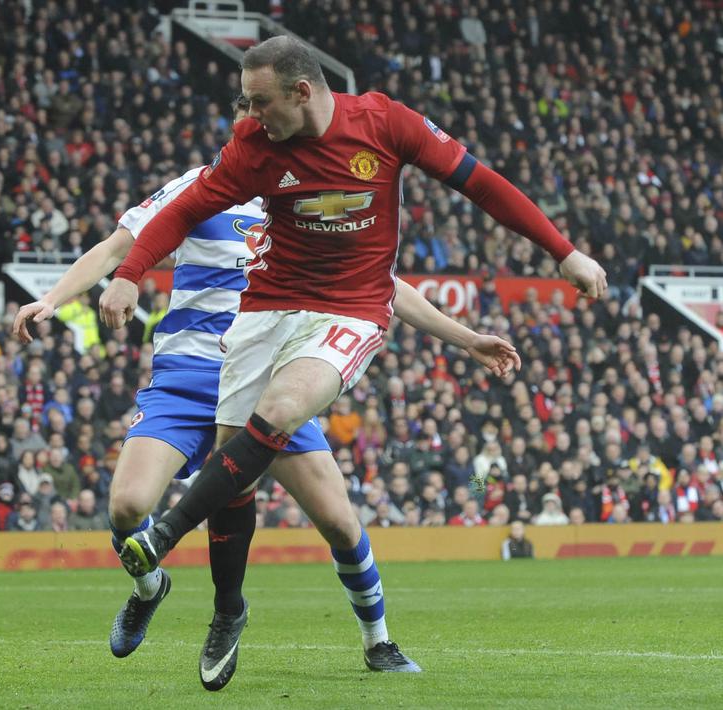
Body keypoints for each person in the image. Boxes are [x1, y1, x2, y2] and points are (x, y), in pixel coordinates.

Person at [14, 96, 521, 687]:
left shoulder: (308, 196)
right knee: (126, 507)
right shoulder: (199, 189)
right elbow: (115, 247)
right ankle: (152, 586)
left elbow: (386, 285)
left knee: (340, 522)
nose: (256, 128)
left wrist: (465, 339)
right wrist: (51, 300)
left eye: (262, 119)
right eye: (247, 119)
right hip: (187, 380)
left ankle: (377, 642)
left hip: (270, 380)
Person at [101, 36, 604, 626]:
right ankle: (227, 612)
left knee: (293, 426)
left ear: (303, 90)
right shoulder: (253, 148)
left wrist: (562, 252)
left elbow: (482, 183)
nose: (251, 115)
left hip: (349, 309)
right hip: (265, 314)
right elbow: (181, 212)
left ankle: (169, 536)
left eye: (260, 102)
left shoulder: (385, 123)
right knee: (229, 474)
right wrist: (130, 274)